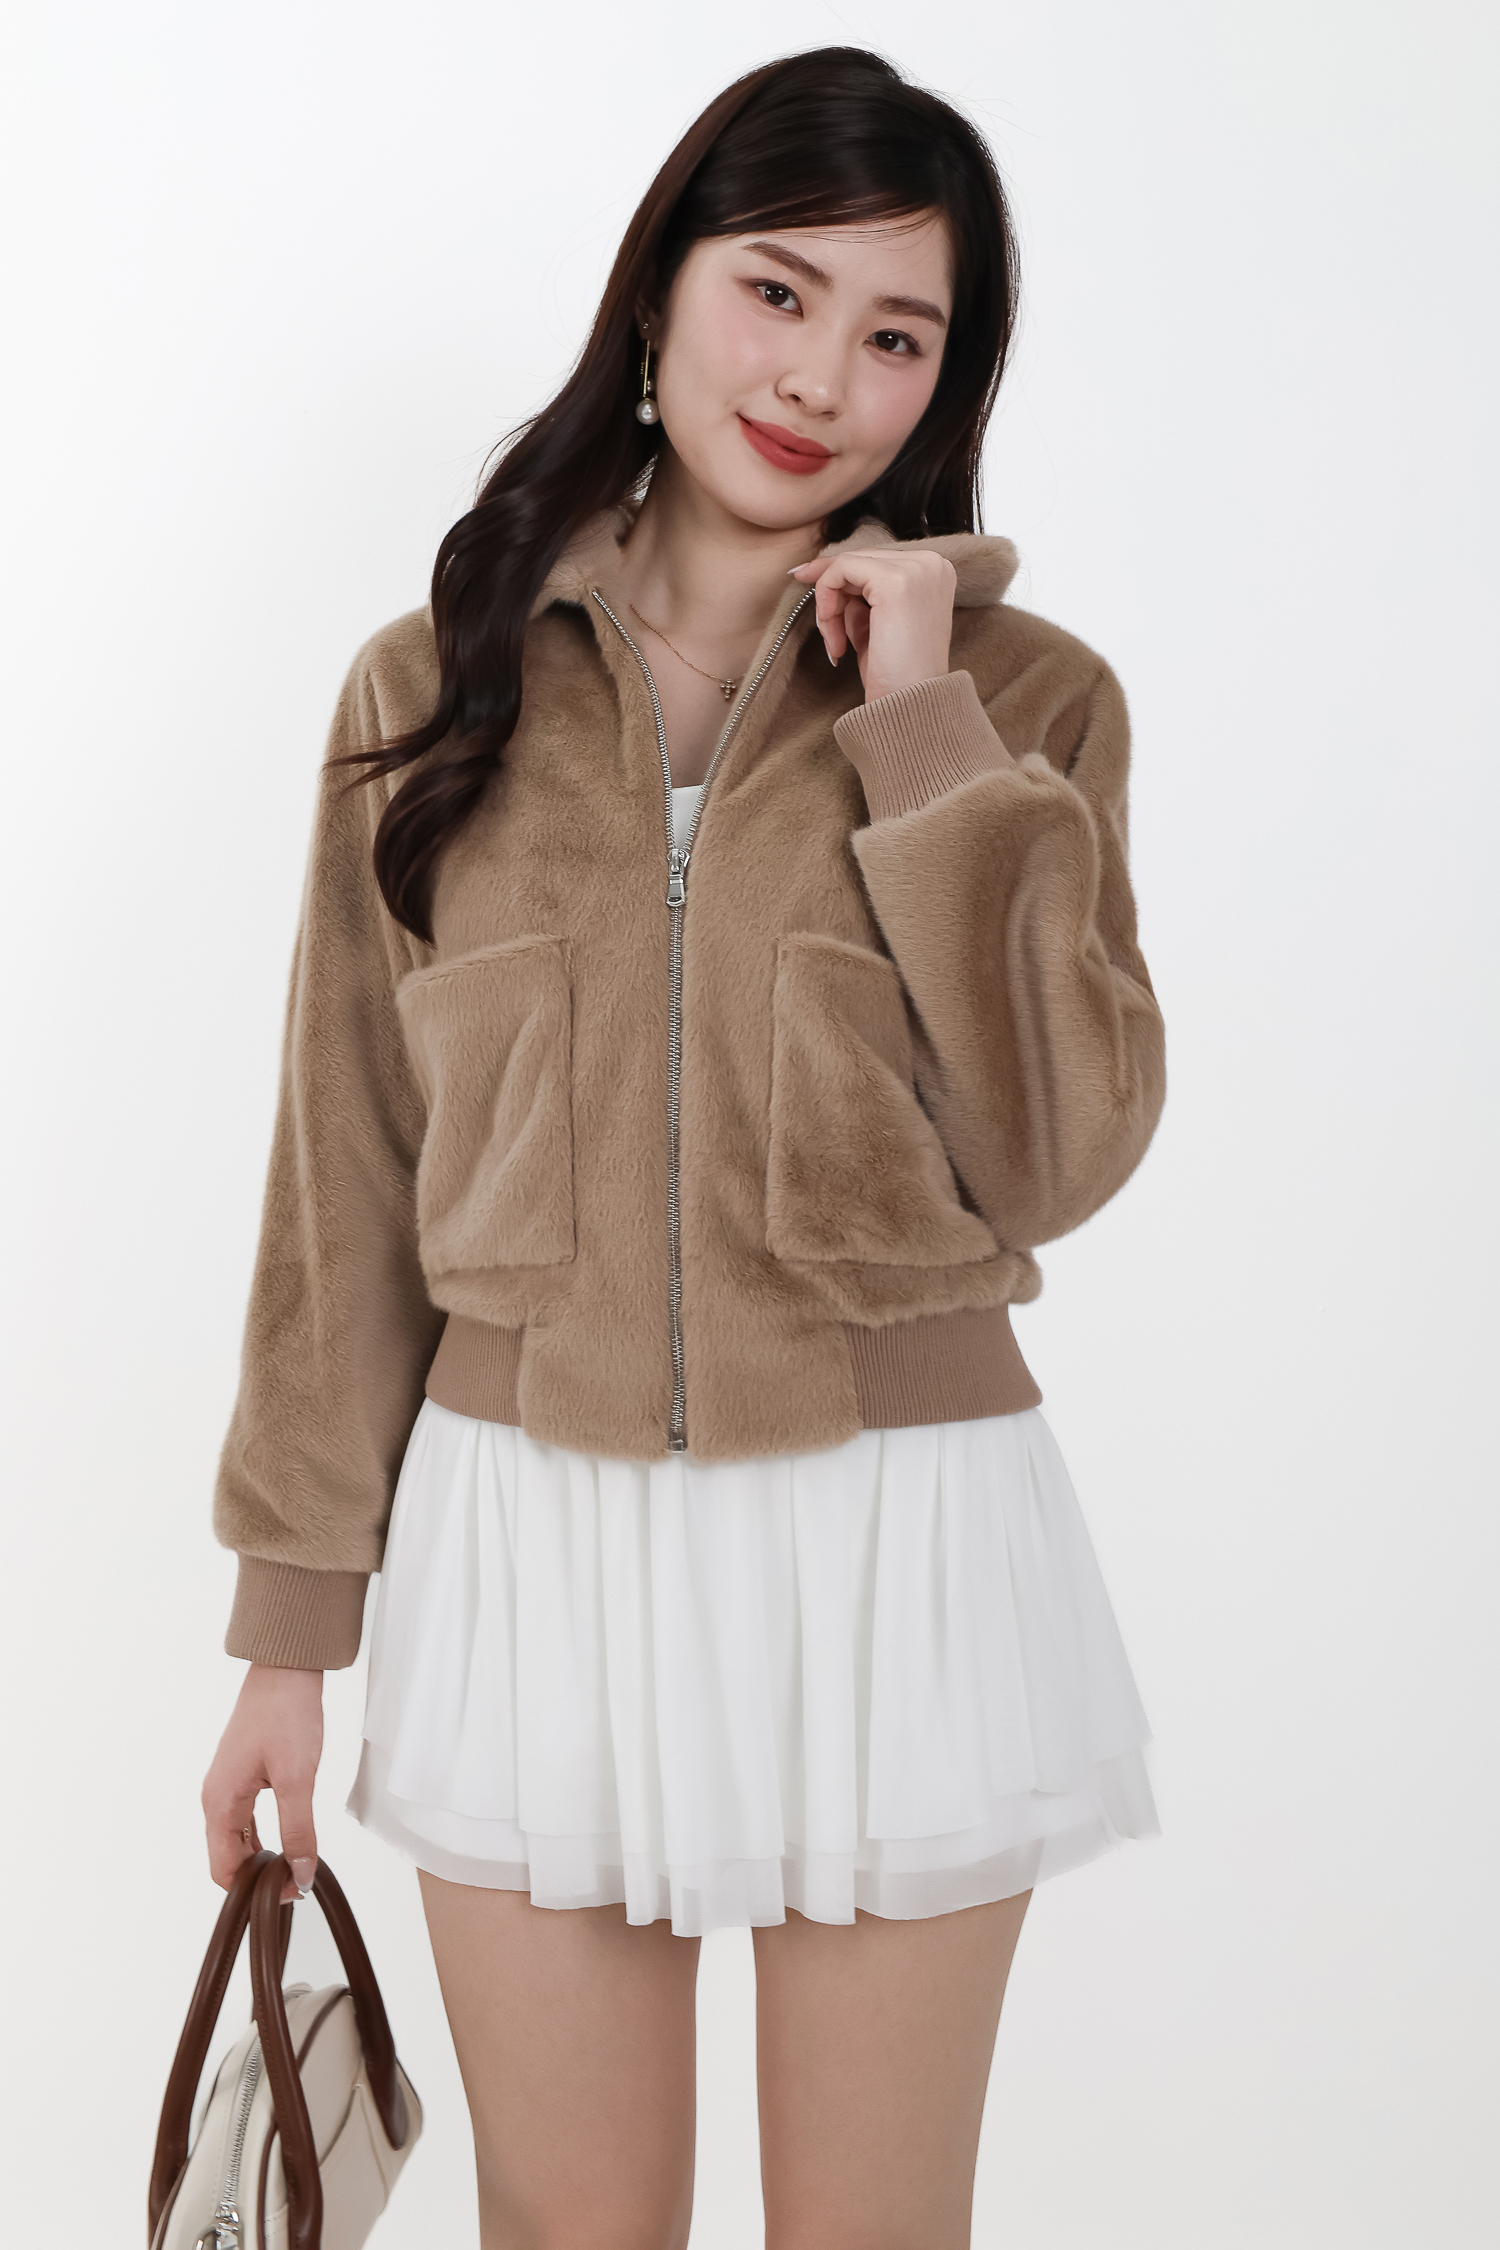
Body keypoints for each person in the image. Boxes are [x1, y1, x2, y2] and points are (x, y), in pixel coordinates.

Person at [201, 44, 1167, 2249]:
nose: (821, 376)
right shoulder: (430, 686)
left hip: (897, 1540)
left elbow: (1060, 1152)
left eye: (898, 334)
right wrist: (288, 1629)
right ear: (661, 291)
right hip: (527, 1544)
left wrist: (922, 724)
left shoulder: (1028, 702)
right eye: (779, 290)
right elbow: (344, 1176)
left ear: (946, 382)